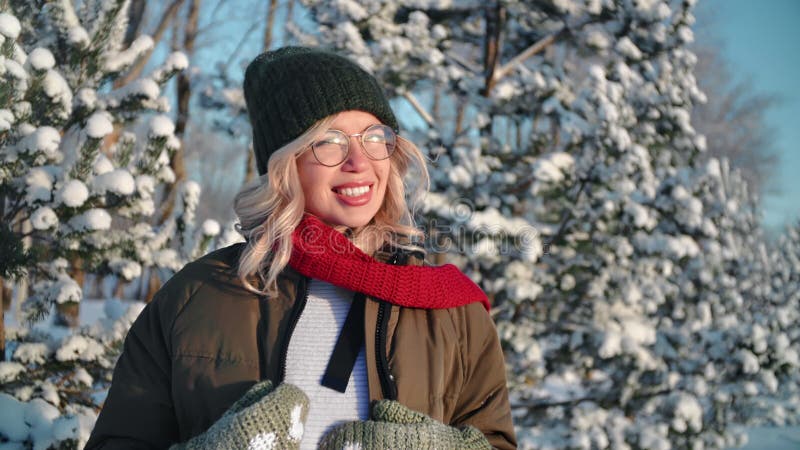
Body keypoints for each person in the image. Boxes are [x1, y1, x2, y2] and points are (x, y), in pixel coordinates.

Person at [85, 46, 517, 449]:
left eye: (374, 136)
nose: (359, 161)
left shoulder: (453, 313)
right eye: (329, 140)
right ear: (283, 163)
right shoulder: (197, 296)